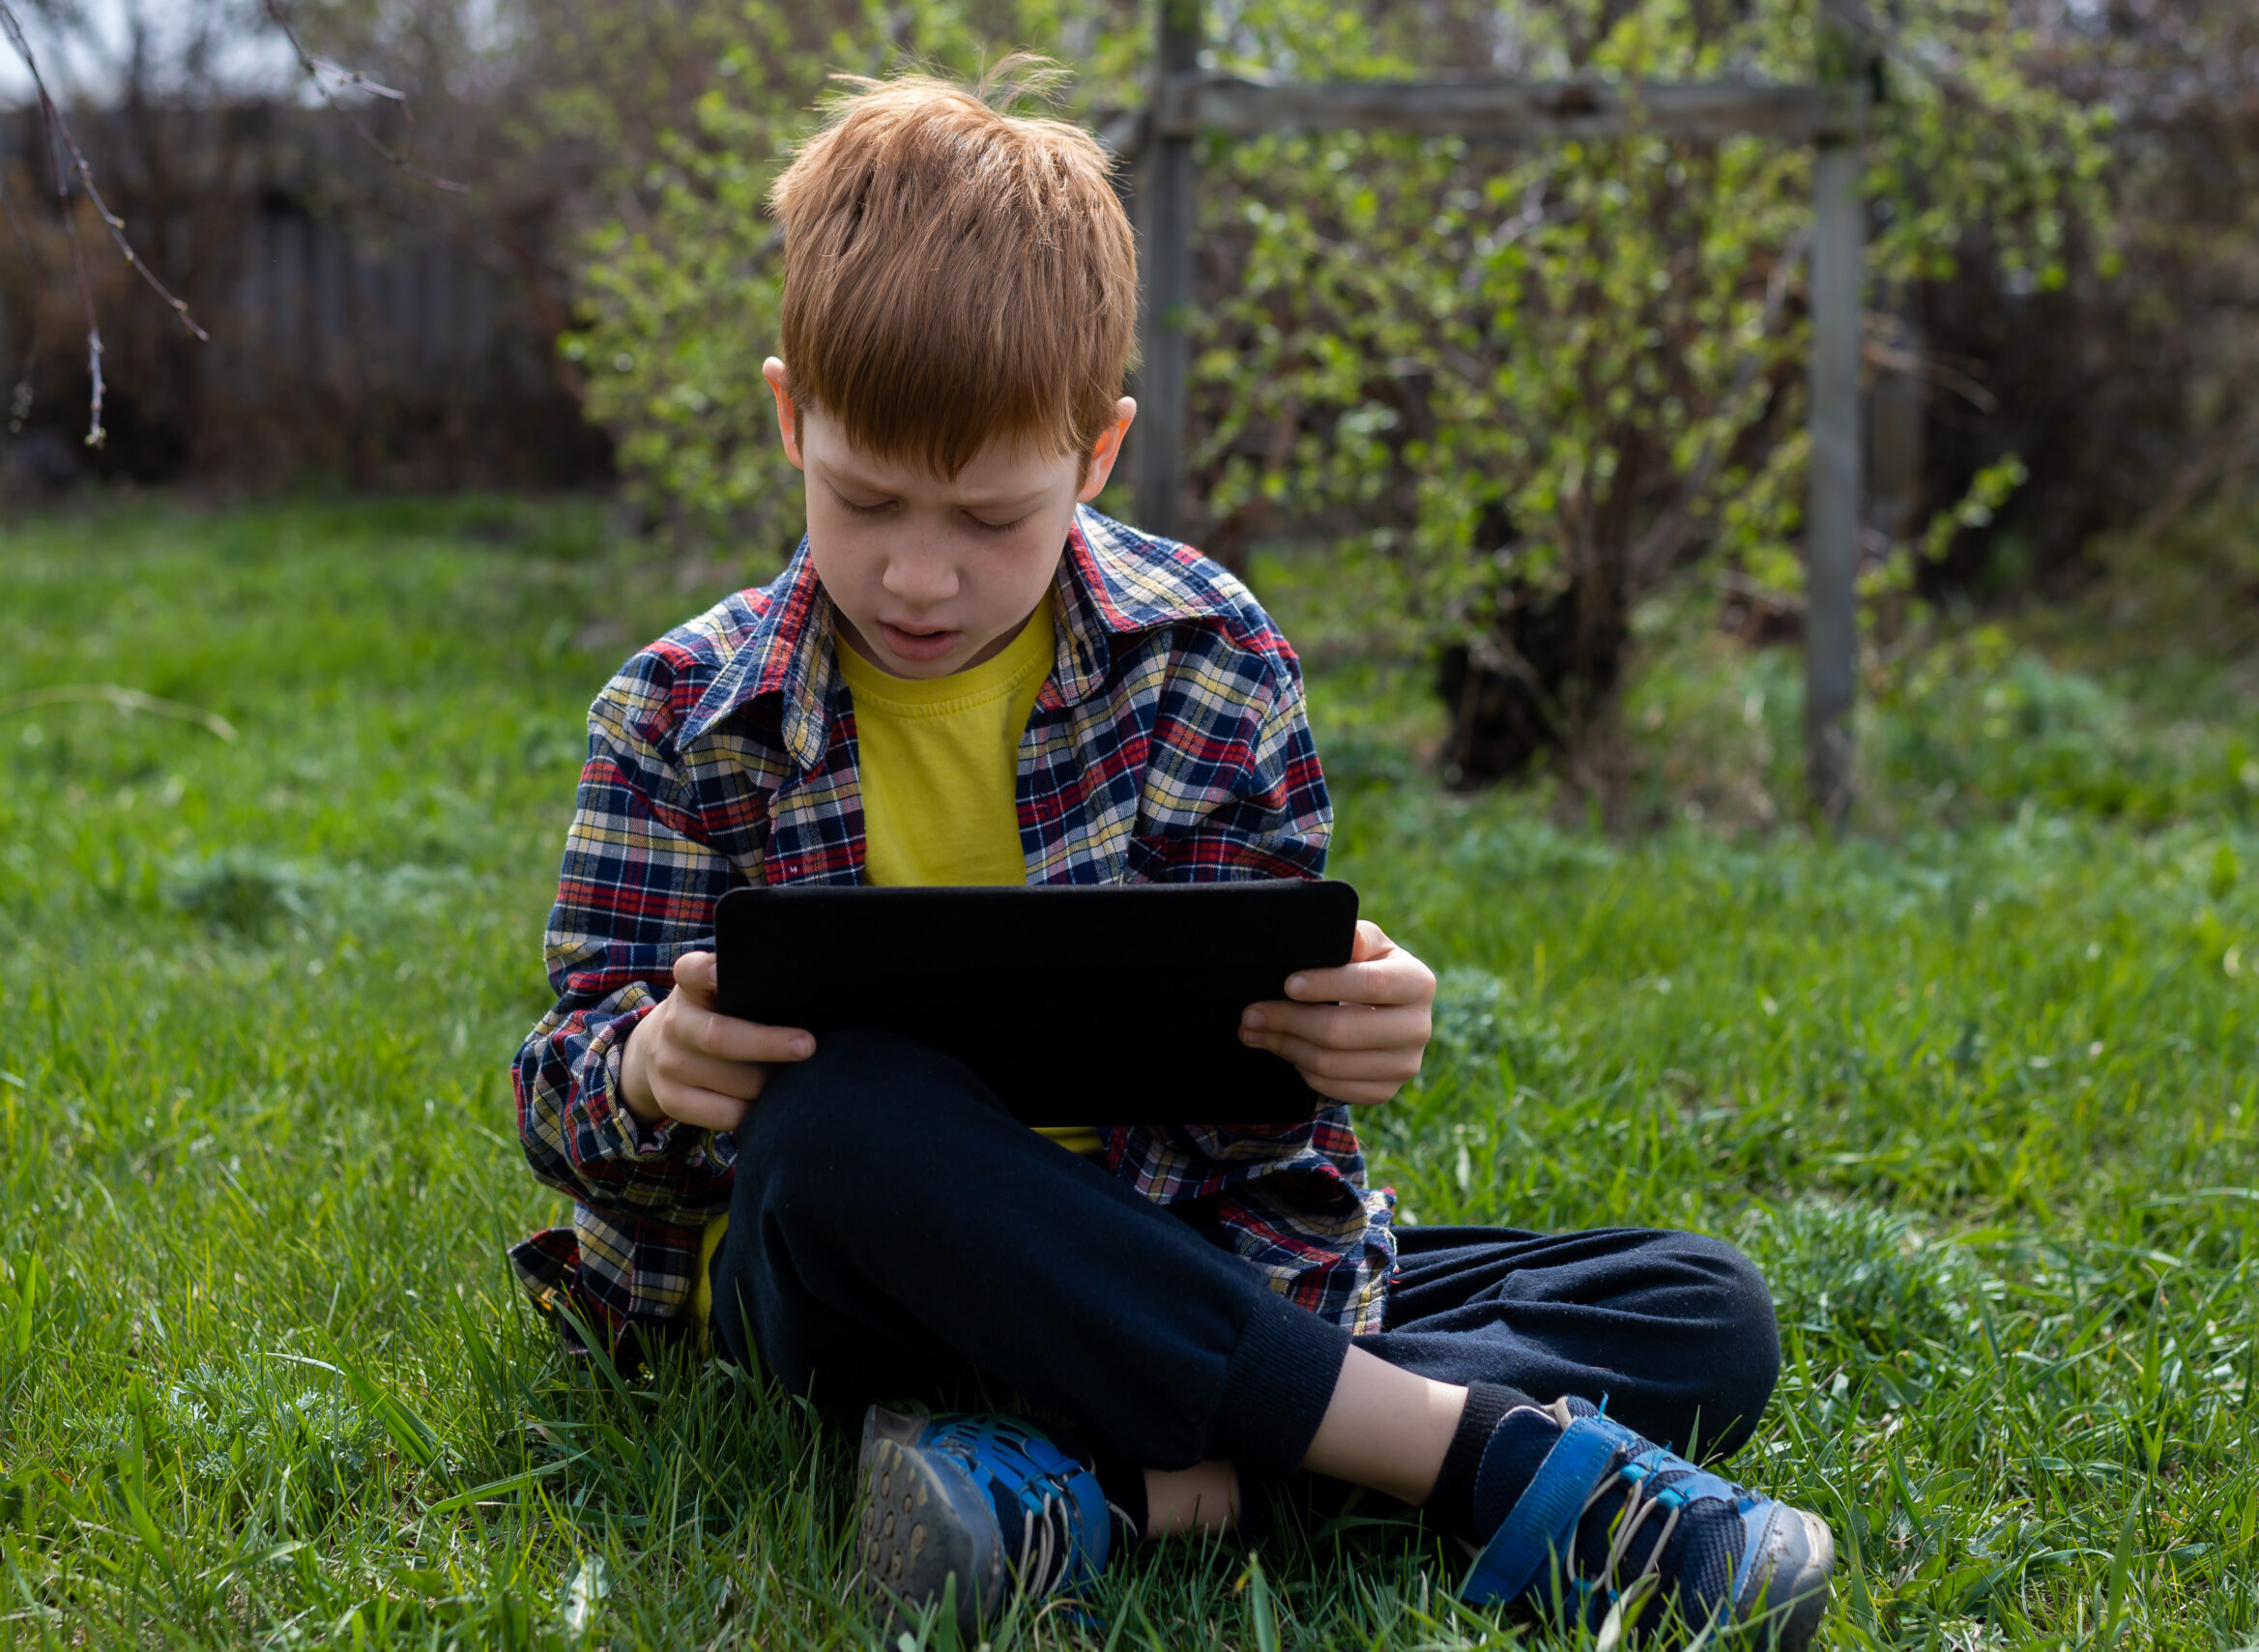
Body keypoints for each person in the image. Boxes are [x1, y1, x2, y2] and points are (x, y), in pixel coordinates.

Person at [508, 63, 1834, 1649]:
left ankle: (1092, 1490)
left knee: (1704, 1308)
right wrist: (648, 1065)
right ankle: (1473, 1459)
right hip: (853, 1289)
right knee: (844, 1118)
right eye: (862, 499)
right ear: (790, 414)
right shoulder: (674, 714)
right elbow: (563, 1083)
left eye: (993, 518)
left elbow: (1252, 1083)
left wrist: (1345, 1028)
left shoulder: (1208, 657)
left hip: (1169, 1246)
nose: (918, 572)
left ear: (1099, 452)